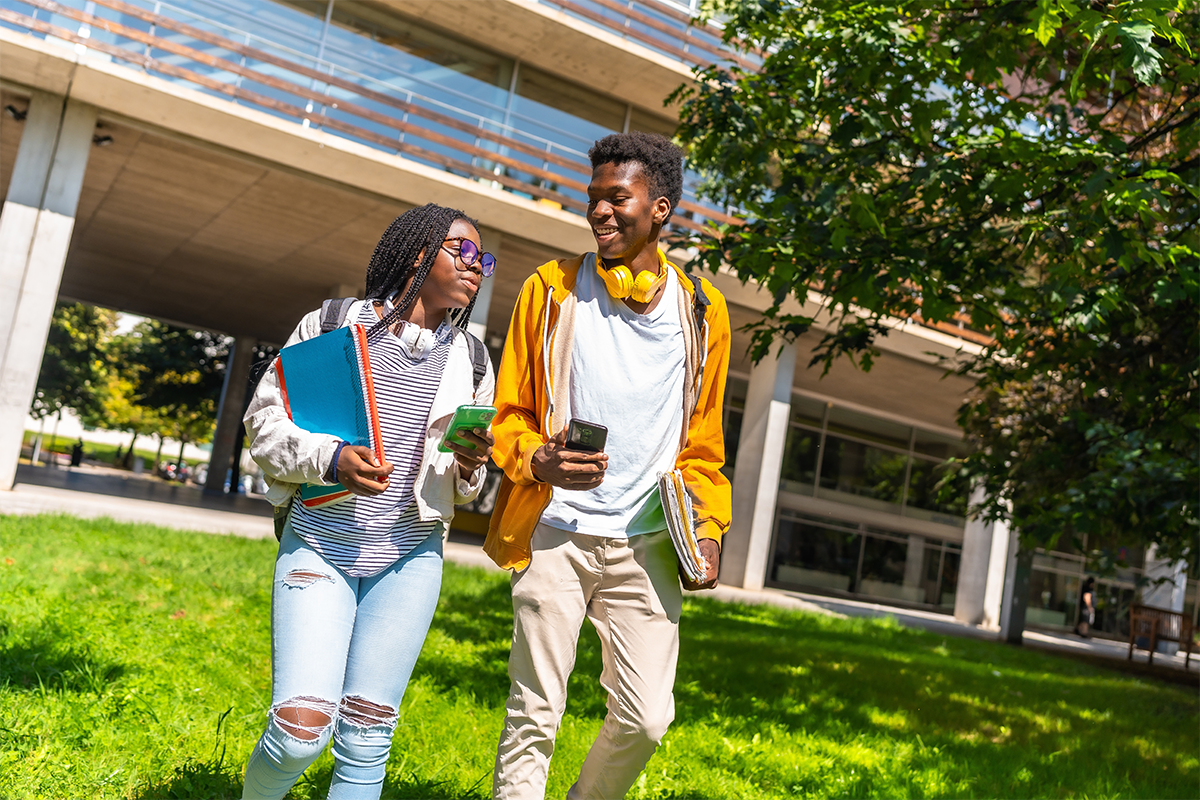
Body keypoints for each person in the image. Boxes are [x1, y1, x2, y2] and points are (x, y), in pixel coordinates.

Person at [485, 132, 732, 800]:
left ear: (660, 210)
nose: (598, 211)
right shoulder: (550, 291)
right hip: (557, 533)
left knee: (647, 718)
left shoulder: (704, 313)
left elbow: (703, 450)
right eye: (592, 198)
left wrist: (707, 532)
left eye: (616, 198)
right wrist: (539, 460)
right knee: (534, 711)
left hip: (647, 543)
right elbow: (506, 415)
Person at [240, 203, 497, 800]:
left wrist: (468, 463)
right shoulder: (329, 324)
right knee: (299, 732)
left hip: (410, 559)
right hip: (321, 544)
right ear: (416, 254)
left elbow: (463, 489)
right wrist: (331, 460)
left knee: (366, 740)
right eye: (462, 251)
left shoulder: (474, 360)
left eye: (482, 260)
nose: (475, 267)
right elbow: (264, 425)